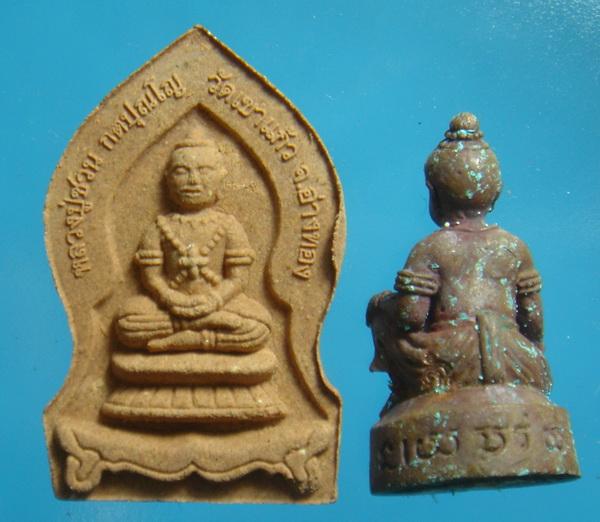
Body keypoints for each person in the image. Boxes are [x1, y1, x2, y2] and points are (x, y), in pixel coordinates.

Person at [367, 113, 551, 411]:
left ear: (434, 193)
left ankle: (406, 395)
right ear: (495, 192)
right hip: (512, 358)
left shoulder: (431, 248)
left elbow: (411, 317)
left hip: (449, 362)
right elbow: (533, 321)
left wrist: (388, 304)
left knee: (379, 310)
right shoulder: (515, 247)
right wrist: (528, 351)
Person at [115, 134, 272, 353]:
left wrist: (214, 300)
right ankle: (200, 329)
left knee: (259, 327)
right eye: (182, 171)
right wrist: (171, 299)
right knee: (127, 323)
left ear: (220, 177)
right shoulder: (159, 226)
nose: (193, 180)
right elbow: (151, 277)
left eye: (204, 171)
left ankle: (182, 338)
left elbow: (238, 278)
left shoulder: (228, 225)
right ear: (168, 179)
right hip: (170, 306)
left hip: (219, 303)